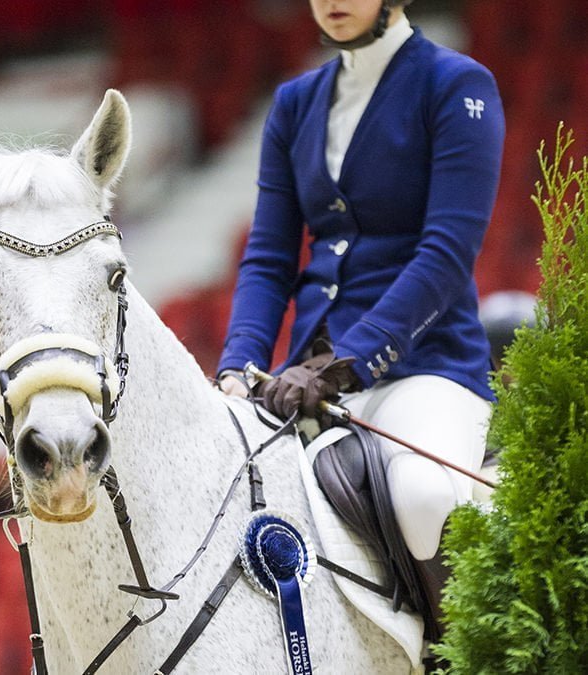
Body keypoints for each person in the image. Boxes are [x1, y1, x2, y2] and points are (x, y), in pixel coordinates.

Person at [216, 0, 505, 640]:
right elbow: (267, 258)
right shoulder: (294, 104)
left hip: (423, 369)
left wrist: (349, 360)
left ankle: (457, 652)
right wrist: (238, 365)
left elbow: (447, 253)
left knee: (424, 497)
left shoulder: (456, 85)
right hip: (304, 379)